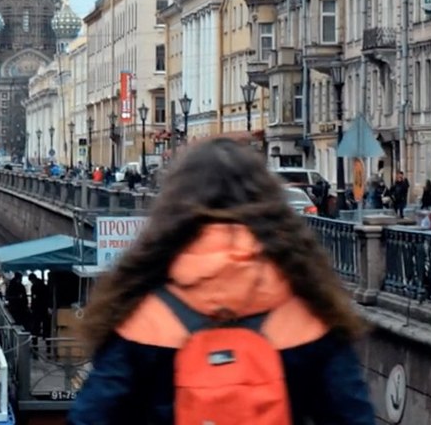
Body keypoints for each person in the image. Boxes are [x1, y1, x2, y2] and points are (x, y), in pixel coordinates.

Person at [67, 138, 374, 425]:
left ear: (175, 206)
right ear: (268, 203)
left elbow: (90, 415)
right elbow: (353, 414)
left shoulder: (144, 311)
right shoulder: (306, 308)